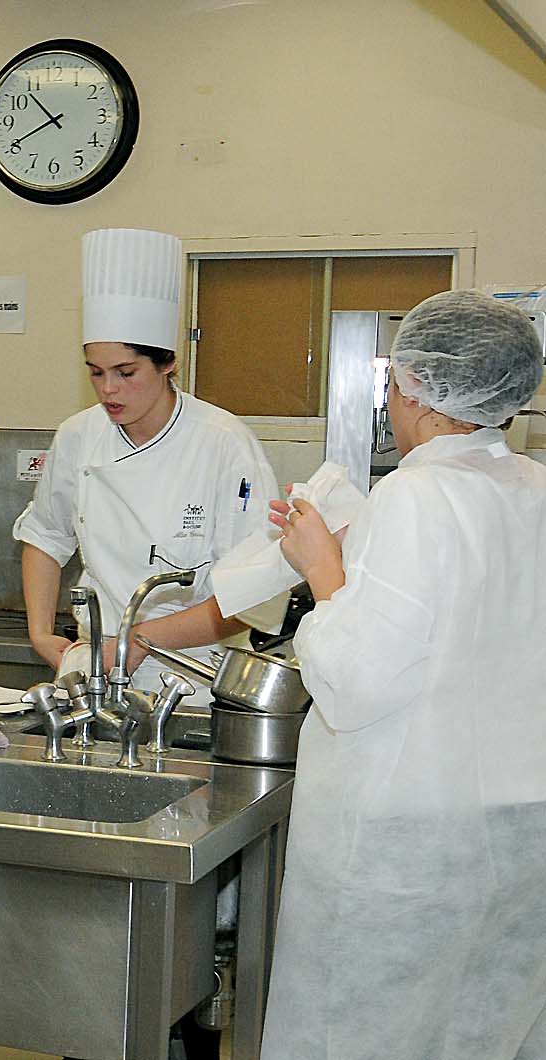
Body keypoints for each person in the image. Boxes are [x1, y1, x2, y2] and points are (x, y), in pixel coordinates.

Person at [261, 290, 546, 1059]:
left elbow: (354, 682)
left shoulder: (415, 494)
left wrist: (322, 568)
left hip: (406, 851)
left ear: (414, 388)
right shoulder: (535, 490)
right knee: (488, 1034)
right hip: (520, 838)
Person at [14, 228, 288, 696]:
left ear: (167, 364)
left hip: (192, 678)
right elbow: (45, 534)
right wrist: (40, 632)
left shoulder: (224, 444)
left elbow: (252, 598)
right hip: (94, 671)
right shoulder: (79, 436)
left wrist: (140, 639)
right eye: (96, 373)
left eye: (126, 373)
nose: (108, 390)